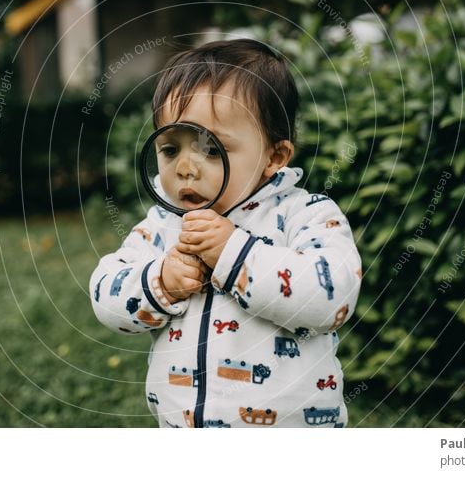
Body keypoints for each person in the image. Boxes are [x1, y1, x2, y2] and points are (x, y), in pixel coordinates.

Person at [89, 38, 363, 428]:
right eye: (170, 149)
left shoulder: (306, 215)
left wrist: (235, 254)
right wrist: (160, 281)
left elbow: (333, 296)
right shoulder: (163, 226)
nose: (185, 167)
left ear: (274, 156)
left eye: (212, 149)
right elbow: (106, 294)